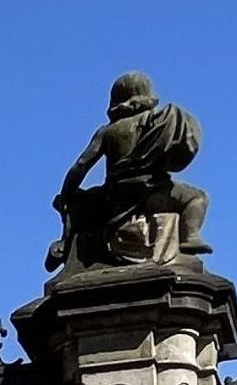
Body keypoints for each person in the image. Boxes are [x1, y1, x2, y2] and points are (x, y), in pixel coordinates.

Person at [44, 71, 212, 273]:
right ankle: (189, 238)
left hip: (115, 197)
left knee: (87, 200)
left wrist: (66, 194)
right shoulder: (156, 121)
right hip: (153, 192)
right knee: (197, 198)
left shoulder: (107, 131)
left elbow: (81, 165)